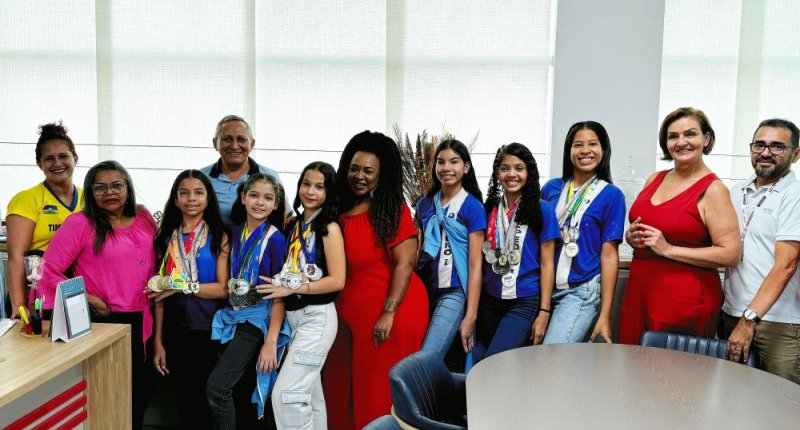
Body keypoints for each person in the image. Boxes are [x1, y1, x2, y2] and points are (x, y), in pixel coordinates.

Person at [323, 130, 429, 429]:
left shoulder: (391, 210)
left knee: (375, 396)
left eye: (368, 171)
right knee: (337, 389)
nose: (359, 176)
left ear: (381, 176)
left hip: (390, 311)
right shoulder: (338, 210)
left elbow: (405, 264)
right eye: (354, 169)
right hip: (345, 313)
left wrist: (389, 311)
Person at [39, 160, 157, 429]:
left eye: (117, 185)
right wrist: (87, 298)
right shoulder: (80, 223)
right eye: (100, 187)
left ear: (127, 188)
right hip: (106, 320)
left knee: (143, 387)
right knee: (110, 392)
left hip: (147, 317)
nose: (110, 192)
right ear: (90, 192)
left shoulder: (143, 216)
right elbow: (49, 270)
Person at [619, 107, 740, 345]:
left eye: (690, 134)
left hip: (683, 298)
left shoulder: (713, 189)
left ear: (706, 138)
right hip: (640, 289)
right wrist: (633, 237)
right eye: (673, 136)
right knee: (633, 367)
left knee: (675, 375)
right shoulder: (655, 178)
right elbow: (651, 227)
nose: (681, 142)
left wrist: (668, 249)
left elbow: (731, 253)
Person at [259, 161, 346, 429]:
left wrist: (293, 288)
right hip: (293, 319)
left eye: (319, 187)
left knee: (288, 394)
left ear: (329, 193)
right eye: (306, 184)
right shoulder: (293, 224)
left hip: (317, 320)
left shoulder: (328, 227)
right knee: (308, 395)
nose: (310, 191)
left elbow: (338, 280)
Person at [206, 173, 290, 429]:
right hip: (234, 314)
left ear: (276, 204)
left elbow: (280, 294)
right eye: (254, 195)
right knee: (238, 391)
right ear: (243, 198)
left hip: (259, 320)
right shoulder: (233, 232)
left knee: (217, 388)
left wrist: (270, 341)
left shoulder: (275, 240)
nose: (260, 203)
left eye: (268, 198)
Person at [720, 118, 800, 384]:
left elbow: (786, 265)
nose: (765, 153)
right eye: (760, 145)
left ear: (796, 153)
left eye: (777, 146)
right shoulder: (735, 191)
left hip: (777, 322)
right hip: (731, 314)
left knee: (781, 406)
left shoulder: (795, 194)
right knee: (733, 399)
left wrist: (749, 319)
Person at [151, 170, 230, 429]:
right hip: (176, 330)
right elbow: (160, 292)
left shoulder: (220, 235)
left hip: (210, 329)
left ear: (208, 198)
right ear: (175, 199)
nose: (191, 198)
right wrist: (159, 341)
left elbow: (223, 290)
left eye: (198, 192)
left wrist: (182, 286)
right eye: (183, 192)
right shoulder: (167, 237)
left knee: (208, 399)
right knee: (185, 401)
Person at [541, 121, 626, 343]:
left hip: (580, 291)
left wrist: (605, 314)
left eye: (593, 144)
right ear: (569, 151)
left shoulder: (612, 195)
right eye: (578, 144)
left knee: (553, 360)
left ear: (604, 150)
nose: (585, 151)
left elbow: (609, 255)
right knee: (526, 358)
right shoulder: (551, 189)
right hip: (542, 287)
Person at [476, 143, 560, 360]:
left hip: (524, 301)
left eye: (519, 168)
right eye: (505, 168)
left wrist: (544, 311)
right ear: (497, 173)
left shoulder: (543, 209)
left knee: (496, 363)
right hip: (489, 301)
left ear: (529, 172)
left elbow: (548, 264)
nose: (511, 174)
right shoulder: (487, 209)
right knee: (484, 363)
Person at [415, 139, 485, 364]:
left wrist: (470, 316)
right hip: (424, 291)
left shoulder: (472, 206)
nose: (446, 168)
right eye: (441, 162)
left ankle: (405, 400)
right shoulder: (424, 205)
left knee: (427, 358)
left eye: (454, 162)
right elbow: (417, 253)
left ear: (465, 167)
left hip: (454, 292)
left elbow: (475, 265)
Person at [6, 122, 82, 319]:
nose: (57, 163)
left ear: (75, 158)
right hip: (37, 294)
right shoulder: (26, 199)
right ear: (40, 164)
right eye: (49, 158)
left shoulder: (88, 199)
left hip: (74, 290)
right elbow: (16, 257)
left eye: (64, 156)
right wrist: (20, 306)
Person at [200, 115, 282, 226]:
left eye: (241, 139)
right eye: (227, 139)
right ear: (215, 143)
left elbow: (285, 217)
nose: (234, 146)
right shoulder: (200, 178)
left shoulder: (270, 176)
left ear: (251, 144)